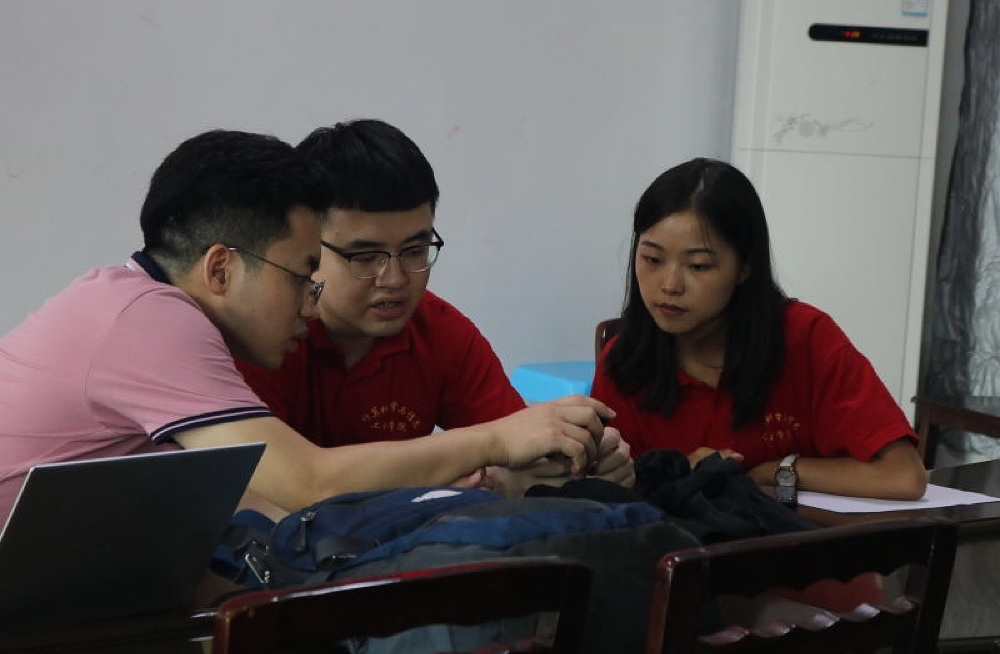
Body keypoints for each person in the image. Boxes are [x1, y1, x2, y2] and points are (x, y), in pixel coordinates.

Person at [0, 130, 614, 525]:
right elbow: (303, 486)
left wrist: (548, 460)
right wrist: (495, 443)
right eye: (302, 272)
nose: (309, 301)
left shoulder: (130, 304)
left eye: (416, 250)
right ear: (221, 268)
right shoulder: (154, 325)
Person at [235, 119, 634, 494]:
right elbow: (279, 489)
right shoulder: (261, 338)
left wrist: (581, 460)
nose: (395, 279)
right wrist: (452, 474)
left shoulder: (439, 333)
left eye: (415, 250)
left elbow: (518, 448)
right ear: (307, 246)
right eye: (366, 257)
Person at [590, 157, 927, 500]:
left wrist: (775, 471)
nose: (670, 285)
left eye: (698, 265)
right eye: (652, 259)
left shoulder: (804, 337)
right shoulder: (624, 360)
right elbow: (607, 497)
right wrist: (681, 477)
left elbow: (903, 475)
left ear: (745, 267)